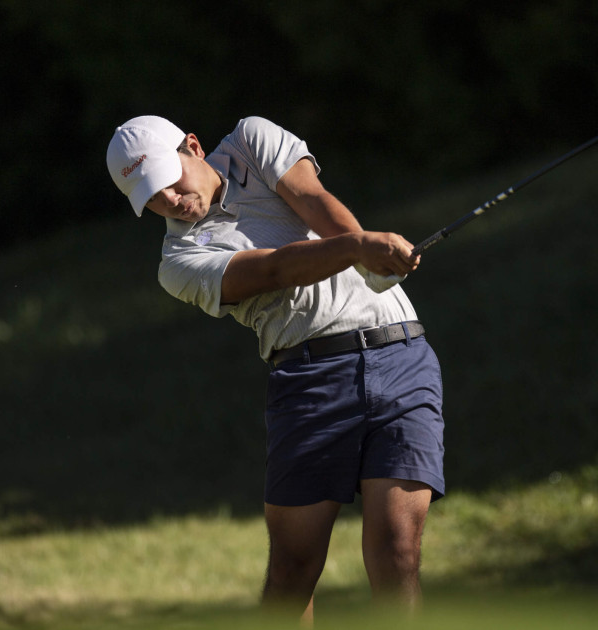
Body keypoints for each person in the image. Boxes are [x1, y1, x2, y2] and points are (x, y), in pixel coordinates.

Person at [106, 115, 445, 623]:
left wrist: (366, 255)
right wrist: (358, 249)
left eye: (171, 180)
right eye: (152, 197)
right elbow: (273, 269)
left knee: (399, 552)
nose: (170, 200)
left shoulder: (250, 140)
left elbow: (313, 201)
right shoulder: (178, 261)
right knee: (293, 570)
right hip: (310, 381)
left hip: (401, 356)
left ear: (192, 146)